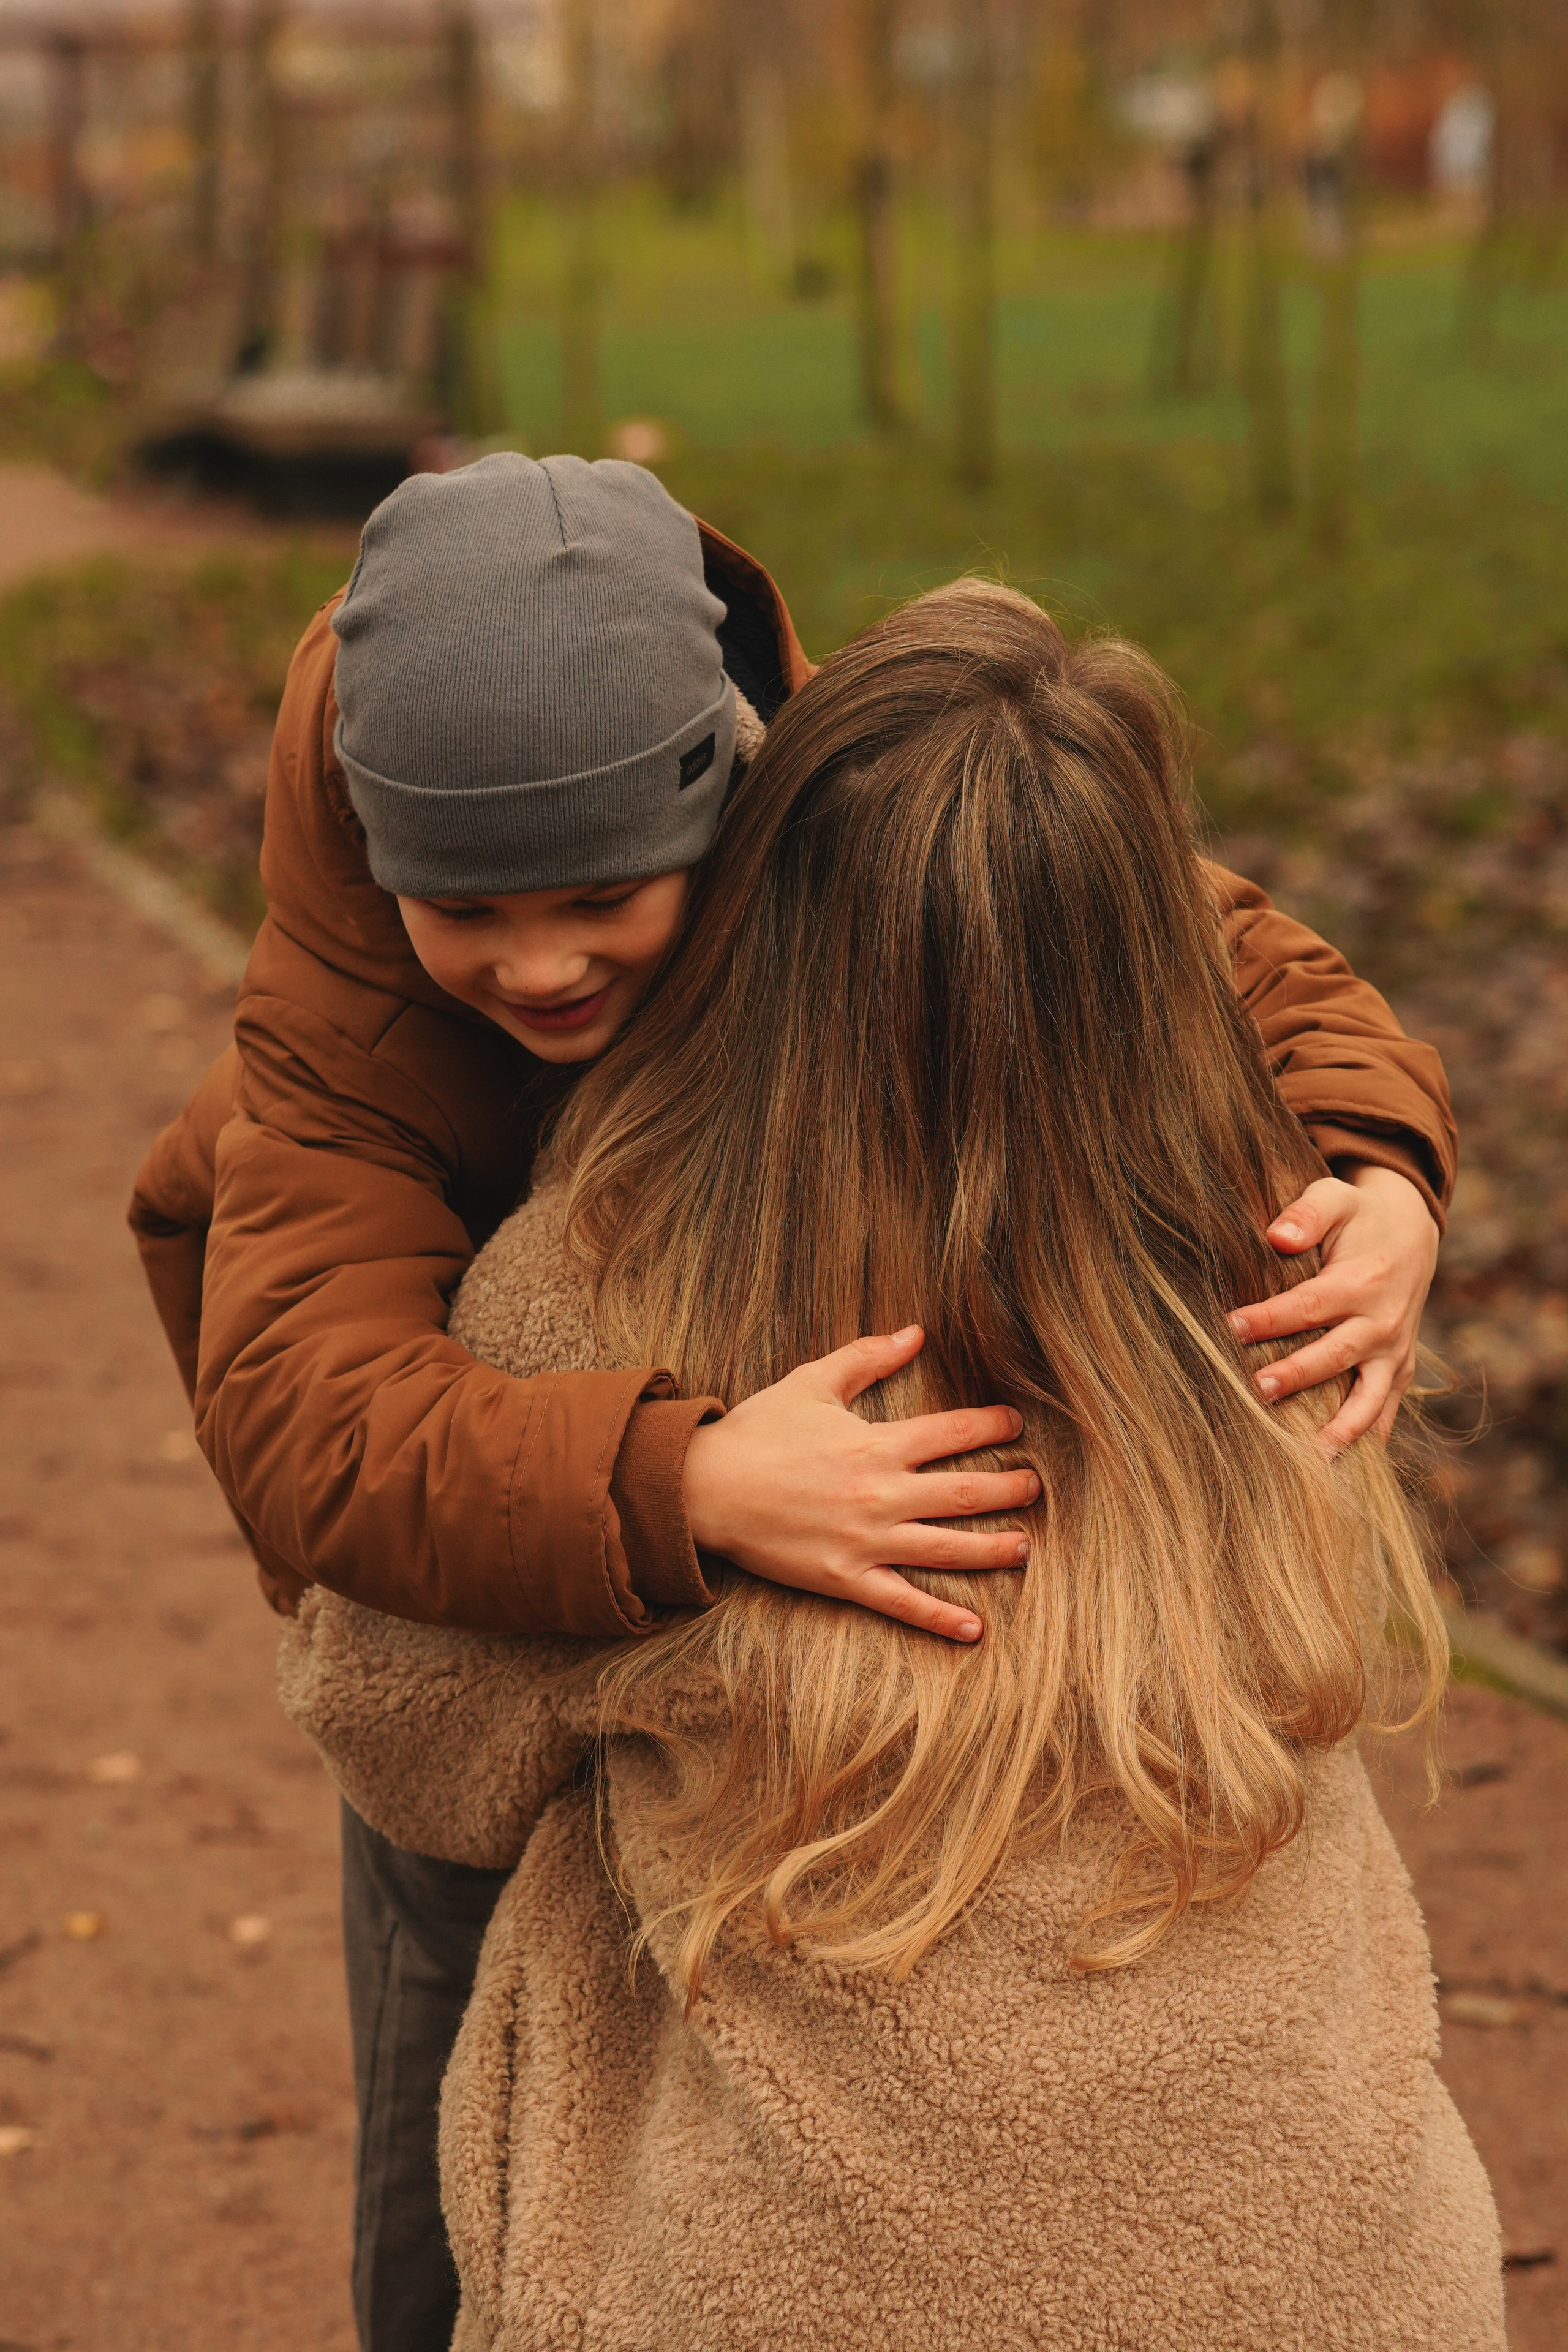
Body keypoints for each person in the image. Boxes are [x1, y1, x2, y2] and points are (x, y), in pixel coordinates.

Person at [129, 459, 1457, 2350]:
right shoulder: (347, 1005)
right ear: (379, 847)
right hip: (480, 1468)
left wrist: (1384, 1161)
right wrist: (683, 1479)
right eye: (468, 913)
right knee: (441, 1918)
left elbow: (1177, 929)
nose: (538, 963)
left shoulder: (808, 798)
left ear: (738, 789)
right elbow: (305, 1412)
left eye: (603, 896)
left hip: (681, 1298)